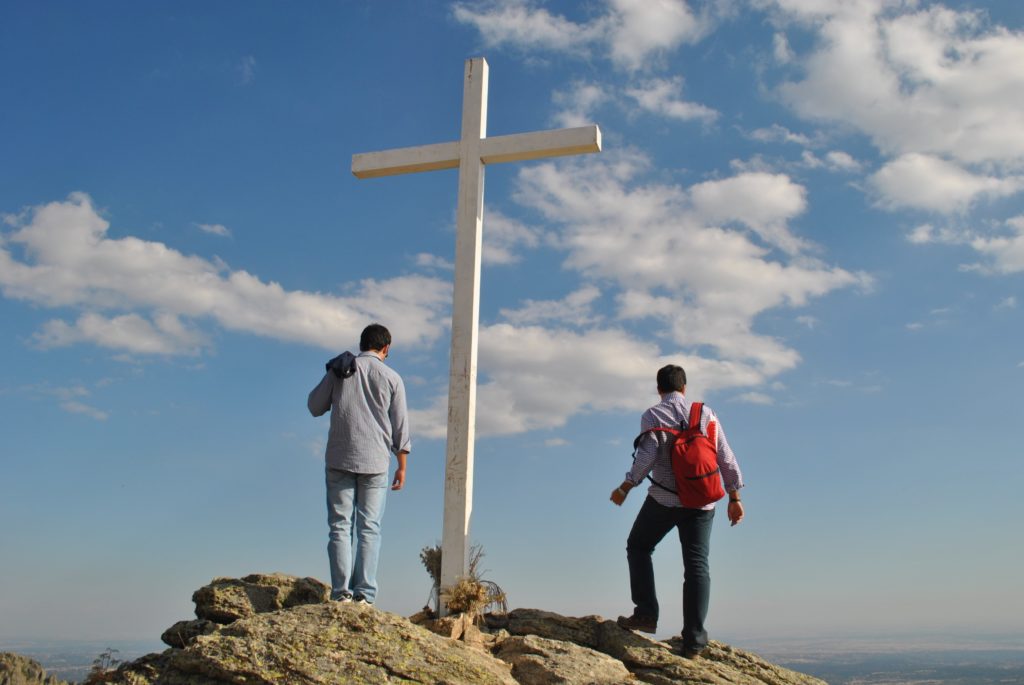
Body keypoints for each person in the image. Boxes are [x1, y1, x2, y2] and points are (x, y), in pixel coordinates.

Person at [610, 364, 744, 659]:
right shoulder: (705, 414)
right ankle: (694, 642)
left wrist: (625, 487)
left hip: (664, 500)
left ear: (660, 389)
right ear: (684, 388)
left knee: (639, 546)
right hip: (702, 502)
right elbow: (725, 455)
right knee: (697, 567)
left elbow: (646, 457)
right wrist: (734, 496)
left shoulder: (653, 415)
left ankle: (646, 613)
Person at [307, 323, 411, 605]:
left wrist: (331, 375)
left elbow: (314, 406)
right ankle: (364, 594)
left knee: (340, 526)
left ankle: (341, 592)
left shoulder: (342, 369)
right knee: (370, 528)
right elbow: (400, 427)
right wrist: (402, 465)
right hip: (376, 461)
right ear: (386, 348)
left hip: (340, 457)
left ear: (362, 344)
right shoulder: (392, 377)